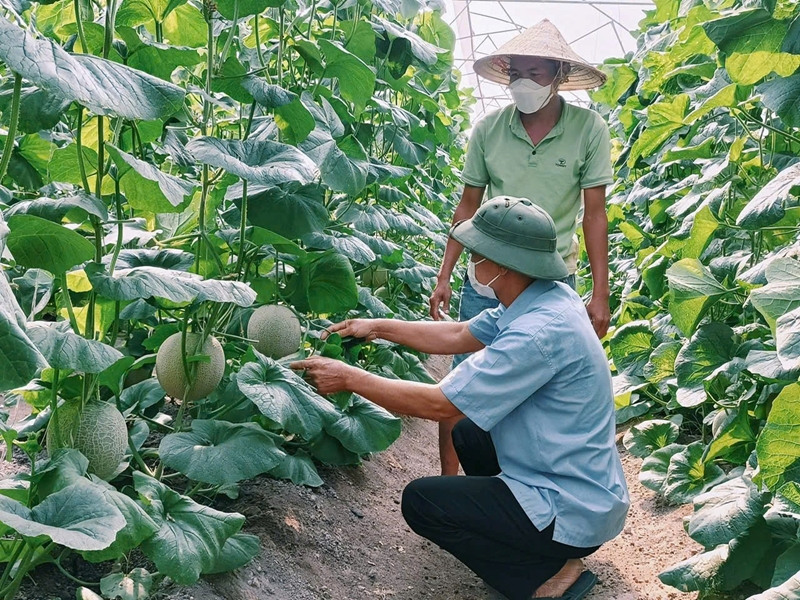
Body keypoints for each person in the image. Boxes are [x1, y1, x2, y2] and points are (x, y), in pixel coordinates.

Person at [291, 197, 629, 600]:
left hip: (572, 510)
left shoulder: (537, 333)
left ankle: (548, 576)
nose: (471, 260)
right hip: (583, 488)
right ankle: (524, 539)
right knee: (469, 433)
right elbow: (457, 334)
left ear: (503, 264)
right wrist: (377, 326)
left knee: (422, 502)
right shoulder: (543, 297)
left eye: (476, 253)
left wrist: (349, 378)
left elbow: (440, 404)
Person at [429, 19, 615, 475]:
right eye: (517, 72)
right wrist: (445, 274)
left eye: (537, 73)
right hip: (488, 273)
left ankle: (516, 484)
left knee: (531, 389)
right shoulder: (489, 129)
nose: (525, 83)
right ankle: (450, 481)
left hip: (552, 279)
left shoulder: (588, 129)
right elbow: (468, 205)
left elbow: (594, 215)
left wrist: (600, 294)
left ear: (559, 78)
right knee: (462, 382)